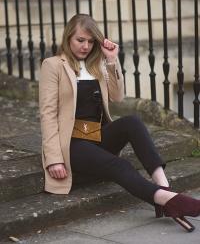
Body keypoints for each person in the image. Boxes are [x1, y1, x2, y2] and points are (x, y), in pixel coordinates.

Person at [39, 14, 200, 232]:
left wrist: (112, 60)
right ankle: (169, 200)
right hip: (72, 144)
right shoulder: (53, 65)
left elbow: (117, 97)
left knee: (132, 121)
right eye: (80, 40)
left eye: (91, 41)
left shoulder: (97, 65)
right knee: (122, 165)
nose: (86, 46)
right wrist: (53, 159)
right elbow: (47, 114)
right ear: (68, 37)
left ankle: (164, 187)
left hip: (97, 136)